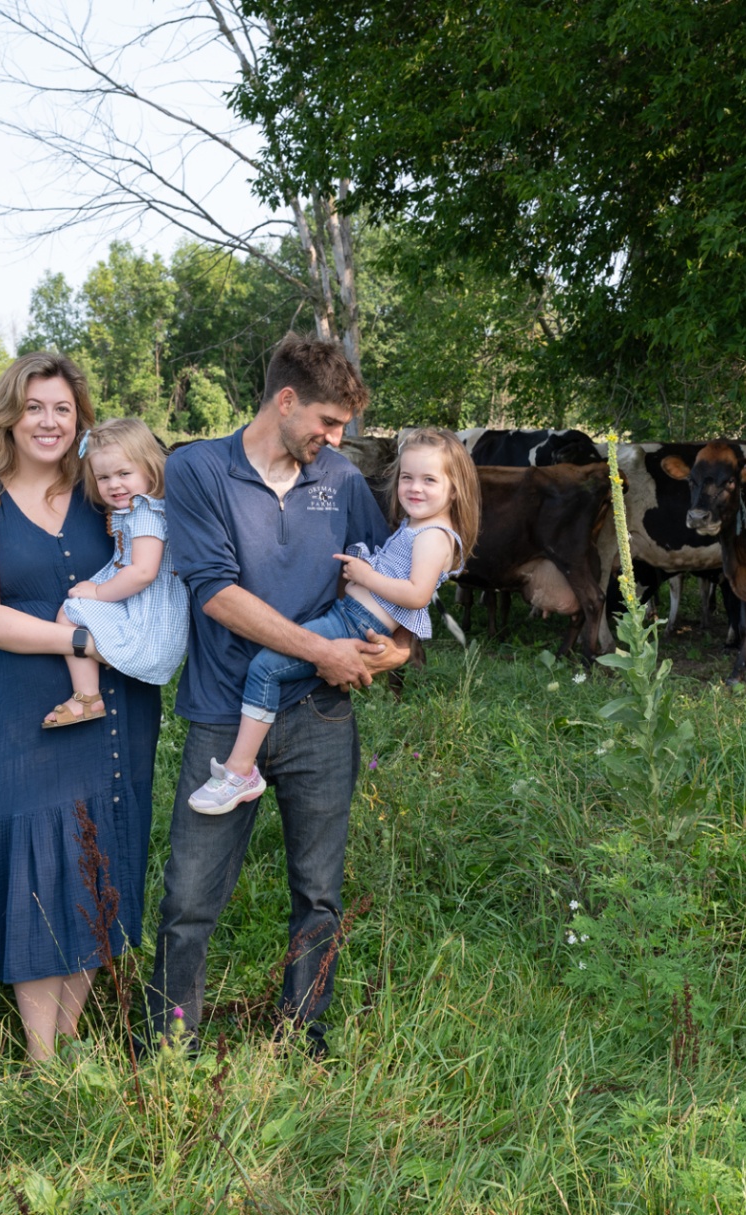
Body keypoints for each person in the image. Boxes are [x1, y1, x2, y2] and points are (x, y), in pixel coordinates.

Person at [146, 335, 412, 1057]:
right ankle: (172, 1047)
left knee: (319, 893)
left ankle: (303, 1039)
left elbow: (387, 590)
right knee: (190, 897)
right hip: (224, 713)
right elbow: (217, 594)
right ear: (285, 400)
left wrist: (388, 655)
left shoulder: (341, 482)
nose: (333, 440)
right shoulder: (199, 467)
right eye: (327, 423)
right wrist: (322, 650)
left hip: (322, 716)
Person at [0, 353, 163, 1064]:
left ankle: (72, 1036)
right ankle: (43, 1056)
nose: (49, 421)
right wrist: (82, 637)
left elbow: (154, 559)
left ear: (80, 417)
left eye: (63, 408)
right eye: (35, 407)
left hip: (114, 706)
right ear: (8, 415)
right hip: (21, 711)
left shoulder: (102, 491)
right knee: (35, 862)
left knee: (92, 855)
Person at [187, 427, 479, 812]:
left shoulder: (434, 536)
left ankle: (241, 770)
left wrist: (365, 575)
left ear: (454, 488)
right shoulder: (417, 526)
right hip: (347, 616)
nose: (414, 488)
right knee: (271, 665)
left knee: (265, 669)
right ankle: (242, 767)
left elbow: (417, 594)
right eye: (407, 477)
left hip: (354, 624)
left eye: (429, 480)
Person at [42, 417, 188, 727]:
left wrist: (98, 592)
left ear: (149, 468)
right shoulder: (139, 509)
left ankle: (87, 696)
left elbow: (143, 572)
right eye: (103, 477)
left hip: (150, 616)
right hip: (146, 607)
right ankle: (90, 693)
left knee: (71, 612)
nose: (114, 484)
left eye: (124, 473)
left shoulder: (146, 512)